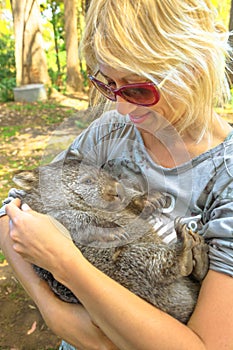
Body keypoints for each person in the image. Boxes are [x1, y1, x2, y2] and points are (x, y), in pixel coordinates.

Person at [1, 0, 233, 349]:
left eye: (138, 89)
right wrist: (53, 311)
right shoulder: (109, 133)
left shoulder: (224, 179)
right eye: (107, 85)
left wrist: (66, 264)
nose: (122, 107)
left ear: (194, 66)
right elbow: (11, 212)